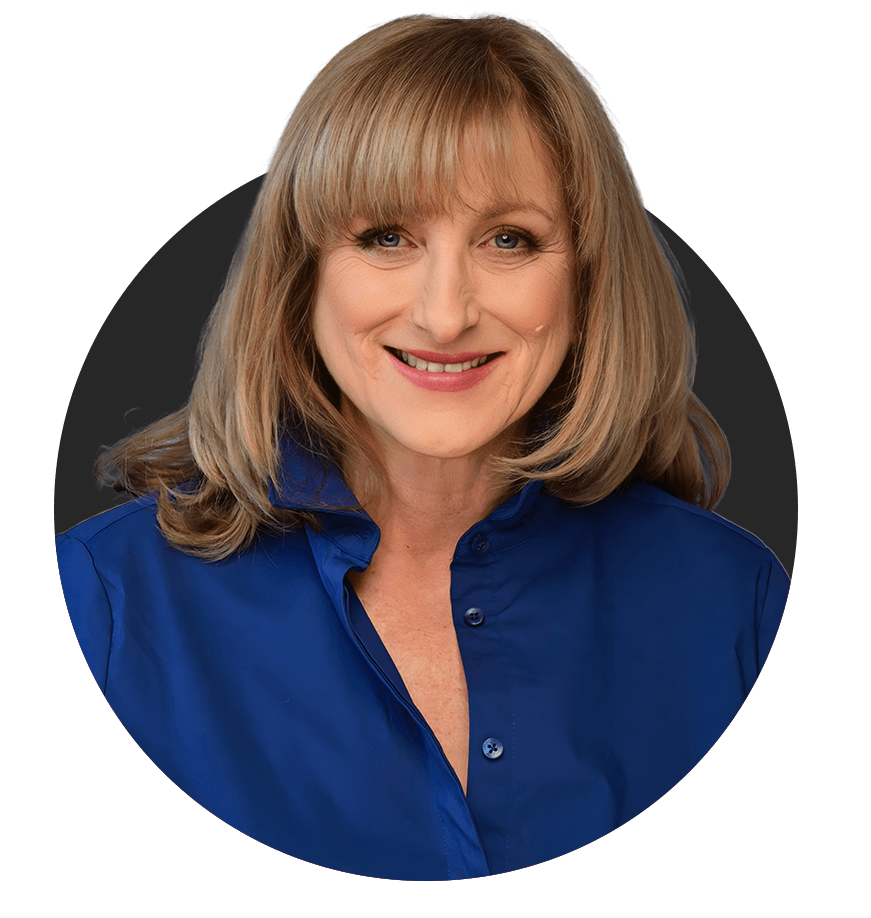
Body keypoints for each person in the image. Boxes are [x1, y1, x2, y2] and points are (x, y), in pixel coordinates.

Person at [54, 13, 790, 880]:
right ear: (303, 274)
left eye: (508, 239)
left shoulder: (735, 606)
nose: (444, 314)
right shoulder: (102, 604)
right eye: (386, 237)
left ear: (589, 277)